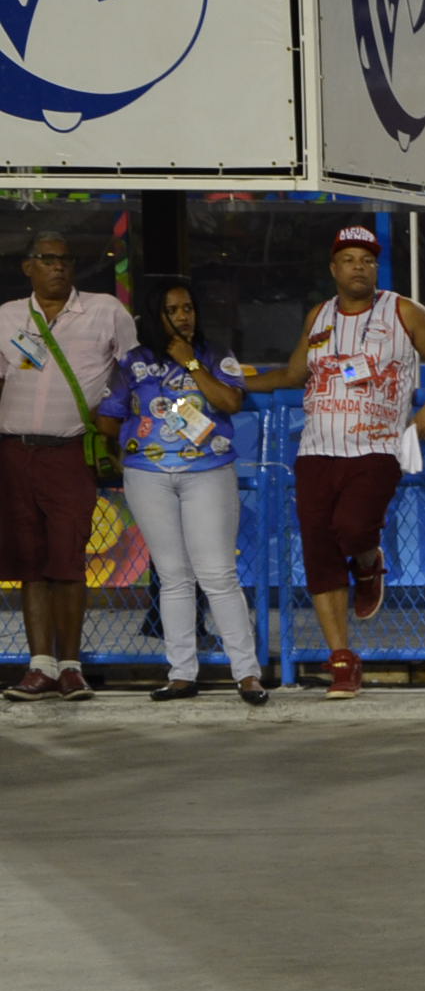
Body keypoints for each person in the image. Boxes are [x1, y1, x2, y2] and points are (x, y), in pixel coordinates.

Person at [247, 225, 425, 699]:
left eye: (367, 260)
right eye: (349, 259)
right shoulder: (319, 315)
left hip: (377, 445)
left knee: (355, 527)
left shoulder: (403, 311)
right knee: (318, 548)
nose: (359, 267)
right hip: (316, 449)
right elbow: (296, 372)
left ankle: (369, 560)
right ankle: (342, 659)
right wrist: (236, 381)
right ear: (333, 269)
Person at [94, 280, 267, 705]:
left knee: (218, 575)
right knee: (172, 577)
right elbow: (107, 417)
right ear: (157, 316)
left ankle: (246, 674)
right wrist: (127, 450)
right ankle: (181, 673)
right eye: (173, 309)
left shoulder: (215, 353)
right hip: (147, 476)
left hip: (207, 470)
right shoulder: (133, 362)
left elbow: (229, 402)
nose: (184, 315)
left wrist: (191, 365)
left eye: (189, 307)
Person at [0, 232, 134, 702]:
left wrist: (114, 420)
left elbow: (133, 372)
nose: (58, 267)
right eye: (48, 259)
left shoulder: (105, 311)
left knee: (68, 560)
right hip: (14, 453)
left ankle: (71, 666)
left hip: (71, 452)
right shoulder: (7, 317)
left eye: (66, 260)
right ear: (27, 267)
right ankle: (40, 667)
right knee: (30, 564)